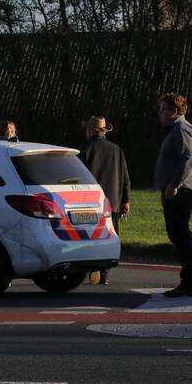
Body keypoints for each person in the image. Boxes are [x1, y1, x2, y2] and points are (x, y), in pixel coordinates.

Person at [154, 93, 192, 297]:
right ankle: (190, 279)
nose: (160, 113)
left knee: (181, 235)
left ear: (175, 112)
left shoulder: (182, 128)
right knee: (178, 235)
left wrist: (173, 185)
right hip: (175, 190)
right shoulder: (176, 129)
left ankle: (190, 281)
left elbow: (188, 158)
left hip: (181, 191)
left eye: (163, 109)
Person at [80, 115, 130, 285]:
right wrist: (126, 200)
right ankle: (105, 272)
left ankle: (93, 266)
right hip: (113, 202)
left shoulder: (85, 149)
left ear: (90, 131)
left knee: (90, 236)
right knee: (109, 236)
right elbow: (125, 177)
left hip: (90, 201)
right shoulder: (117, 149)